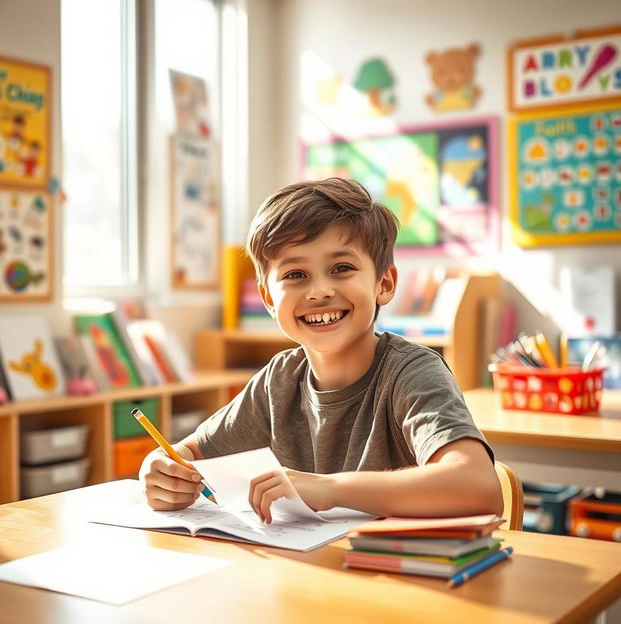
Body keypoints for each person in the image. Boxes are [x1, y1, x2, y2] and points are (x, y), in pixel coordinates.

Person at [139, 177, 503, 523]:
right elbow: (187, 453)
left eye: (341, 268)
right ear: (267, 298)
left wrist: (330, 488)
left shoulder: (412, 372)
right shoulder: (278, 380)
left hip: (402, 574)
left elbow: (478, 486)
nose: (318, 292)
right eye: (295, 275)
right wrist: (160, 468)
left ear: (384, 283)